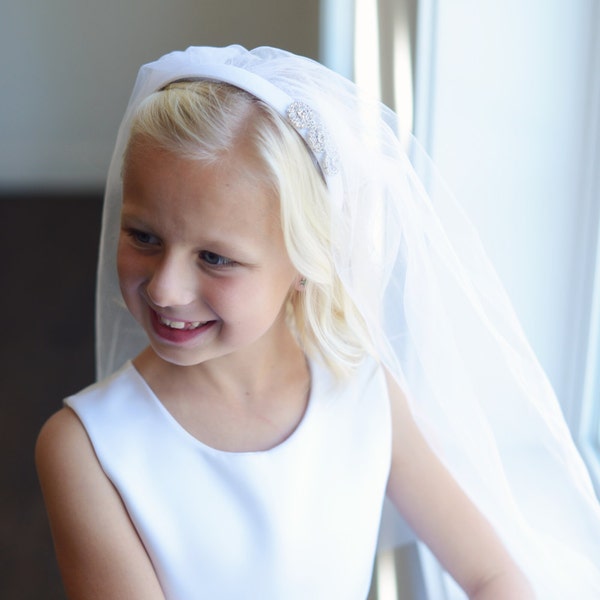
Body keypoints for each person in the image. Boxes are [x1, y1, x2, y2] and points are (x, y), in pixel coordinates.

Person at [35, 46, 600, 599]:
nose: (165, 288)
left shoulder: (364, 390)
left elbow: (494, 575)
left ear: (307, 261)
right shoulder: (86, 450)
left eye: (216, 258)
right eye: (144, 237)